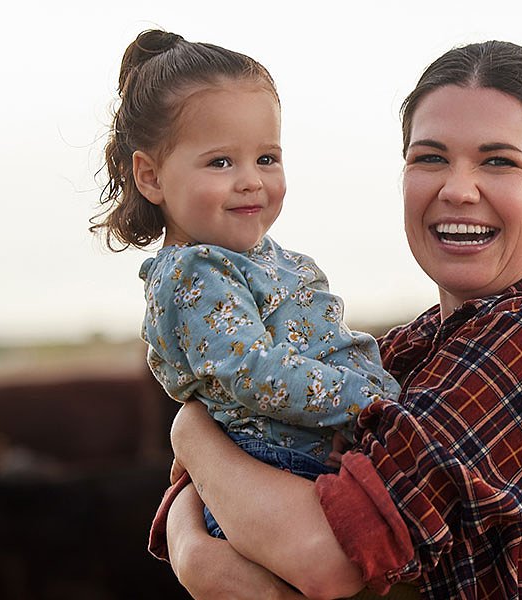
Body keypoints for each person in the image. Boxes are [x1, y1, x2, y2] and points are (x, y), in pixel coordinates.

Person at [153, 40, 522, 599]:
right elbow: (217, 488)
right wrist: (197, 547)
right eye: (430, 158)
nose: (457, 189)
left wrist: (190, 432)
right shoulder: (415, 347)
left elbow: (322, 557)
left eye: (498, 161)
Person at [92, 29, 401, 540]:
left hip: (306, 455)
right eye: (220, 162)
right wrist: (367, 402)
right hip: (271, 465)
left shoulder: (259, 258)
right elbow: (254, 372)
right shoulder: (194, 273)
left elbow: (322, 342)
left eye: (266, 158)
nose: (251, 179)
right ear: (149, 177)